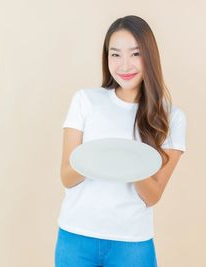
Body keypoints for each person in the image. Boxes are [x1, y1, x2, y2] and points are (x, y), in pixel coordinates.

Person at [54, 15, 187, 267]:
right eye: (115, 54)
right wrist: (99, 157)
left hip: (132, 242)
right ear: (107, 59)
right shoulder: (85, 101)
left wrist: (131, 164)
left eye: (135, 54)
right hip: (76, 236)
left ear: (150, 56)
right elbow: (66, 177)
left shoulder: (171, 117)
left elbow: (153, 196)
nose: (124, 65)